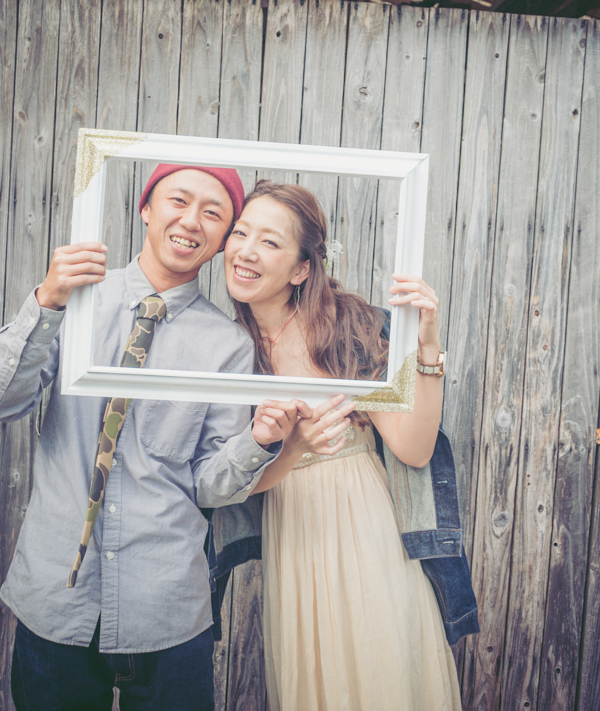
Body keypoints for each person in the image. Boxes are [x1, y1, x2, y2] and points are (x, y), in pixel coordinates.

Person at [0, 163, 298, 711]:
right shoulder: (72, 301)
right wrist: (46, 301)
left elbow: (208, 485)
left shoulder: (228, 346)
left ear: (222, 239)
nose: (192, 221)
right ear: (145, 208)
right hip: (53, 600)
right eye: (178, 201)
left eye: (214, 213)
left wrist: (256, 442)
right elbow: (5, 402)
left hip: (167, 612)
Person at [219, 179, 479, 711]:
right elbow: (235, 485)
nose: (246, 250)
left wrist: (427, 348)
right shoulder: (222, 348)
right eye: (240, 233)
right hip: (291, 535)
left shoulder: (343, 326)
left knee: (380, 672)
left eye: (270, 241)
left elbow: (413, 449)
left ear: (301, 269)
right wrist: (292, 450)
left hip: (365, 526)